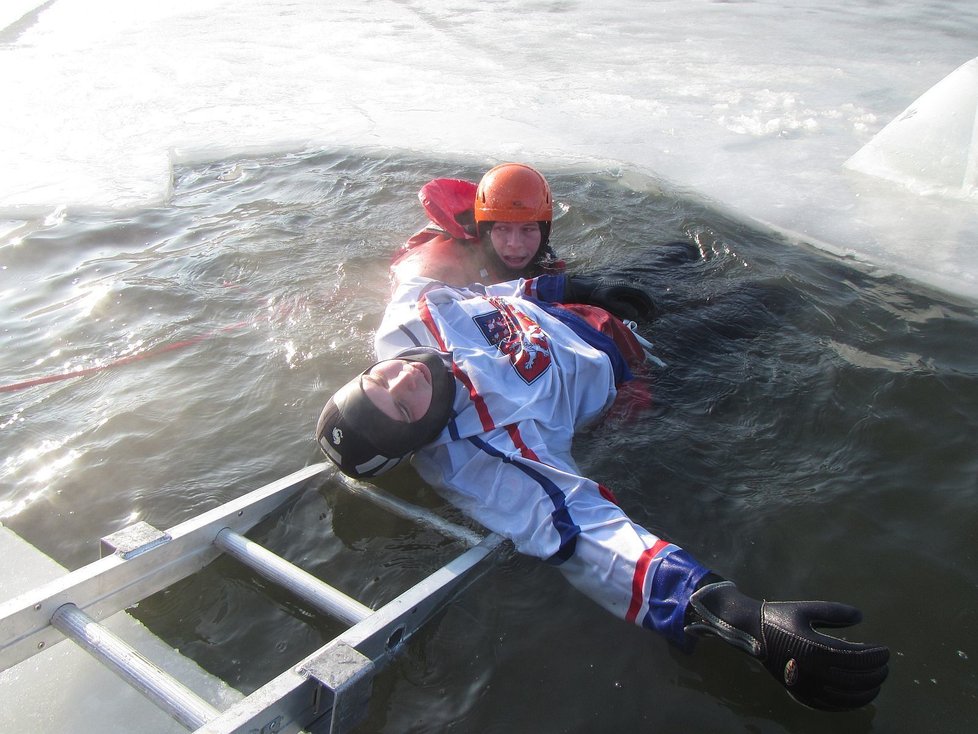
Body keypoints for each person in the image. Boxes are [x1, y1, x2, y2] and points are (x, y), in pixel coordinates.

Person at [315, 272, 890, 711]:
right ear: (418, 432)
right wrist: (733, 614)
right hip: (637, 360)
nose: (399, 378)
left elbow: (476, 288)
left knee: (684, 254)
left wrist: (579, 284)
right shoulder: (486, 461)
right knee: (767, 295)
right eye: (400, 406)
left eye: (375, 378)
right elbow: (586, 533)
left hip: (584, 306)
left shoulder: (404, 326)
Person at [389, 163, 563, 289]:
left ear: (544, 231)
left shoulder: (545, 257)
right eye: (503, 229)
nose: (515, 243)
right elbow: (413, 291)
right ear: (486, 232)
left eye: (528, 229)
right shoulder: (446, 265)